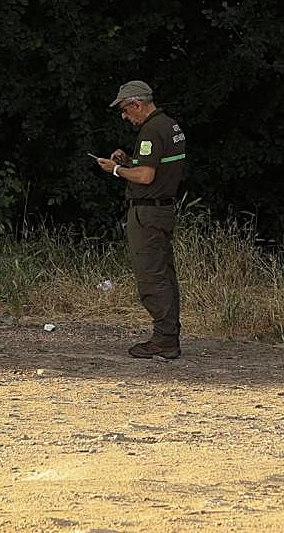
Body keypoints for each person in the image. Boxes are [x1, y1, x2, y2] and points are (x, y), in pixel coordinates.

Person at [97, 80, 188, 359]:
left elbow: (146, 177)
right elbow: (156, 167)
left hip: (147, 212)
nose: (125, 116)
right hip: (164, 209)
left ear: (137, 104)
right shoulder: (171, 126)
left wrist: (116, 170)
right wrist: (129, 161)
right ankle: (168, 334)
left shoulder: (150, 131)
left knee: (151, 276)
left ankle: (164, 340)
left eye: (126, 110)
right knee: (164, 274)